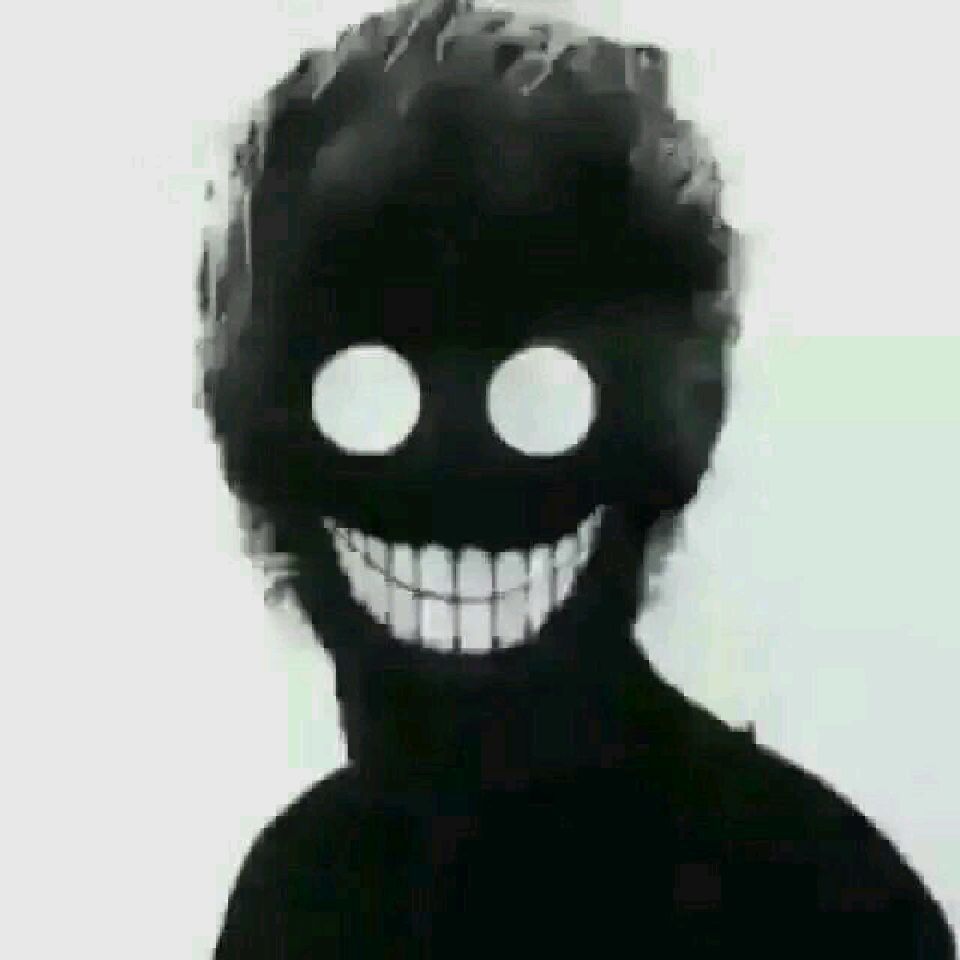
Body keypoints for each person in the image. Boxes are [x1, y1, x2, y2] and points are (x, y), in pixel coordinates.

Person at [198, 2, 955, 955]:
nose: (457, 485)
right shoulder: (301, 898)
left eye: (542, 397)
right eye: (370, 396)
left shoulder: (820, 906)